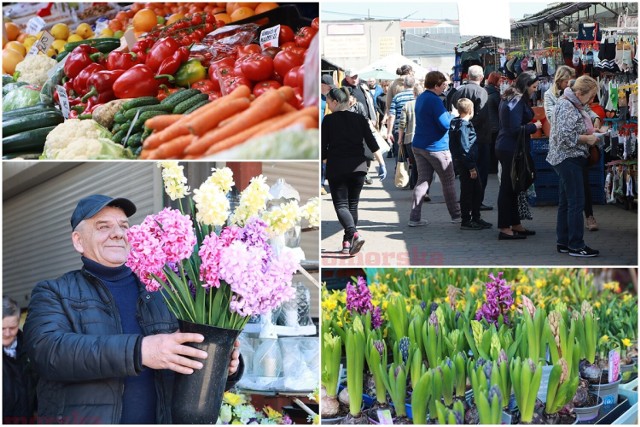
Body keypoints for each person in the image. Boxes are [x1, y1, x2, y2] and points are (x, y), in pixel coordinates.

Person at [23, 195, 243, 424]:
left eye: (124, 226)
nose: (118, 233)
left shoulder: (165, 291)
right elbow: (48, 353)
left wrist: (222, 366)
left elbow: (187, 364)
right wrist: (140, 351)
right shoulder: (53, 292)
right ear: (78, 241)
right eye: (103, 226)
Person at [322, 87, 387, 255]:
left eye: (328, 101)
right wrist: (382, 164)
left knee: (341, 205)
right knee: (352, 205)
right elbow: (372, 143)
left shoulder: (328, 120)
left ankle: (354, 234)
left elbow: (322, 147)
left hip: (338, 167)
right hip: (359, 167)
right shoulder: (359, 119)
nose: (327, 105)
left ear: (335, 102)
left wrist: (323, 161)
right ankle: (346, 243)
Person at [546, 76, 602, 257]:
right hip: (567, 158)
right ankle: (576, 245)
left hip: (566, 157)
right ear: (580, 93)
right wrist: (587, 138)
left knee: (566, 202)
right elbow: (565, 136)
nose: (591, 100)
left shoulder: (572, 103)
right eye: (591, 96)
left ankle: (563, 242)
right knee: (576, 202)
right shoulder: (567, 106)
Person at [409, 71, 461, 226]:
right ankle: (456, 216)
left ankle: (414, 218)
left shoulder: (421, 98)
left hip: (419, 145)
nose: (445, 87)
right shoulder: (435, 101)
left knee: (423, 181)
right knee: (448, 181)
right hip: (436, 147)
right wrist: (454, 115)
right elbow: (445, 124)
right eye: (443, 84)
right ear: (437, 85)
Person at [495, 71, 542, 240]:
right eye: (534, 87)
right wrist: (534, 126)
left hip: (510, 147)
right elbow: (514, 129)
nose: (535, 90)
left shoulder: (513, 97)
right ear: (526, 85)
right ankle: (505, 227)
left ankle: (514, 224)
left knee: (513, 187)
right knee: (508, 188)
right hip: (510, 149)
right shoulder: (515, 100)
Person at [450, 65, 493, 211]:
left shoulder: (459, 91)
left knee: (466, 175)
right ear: (481, 77)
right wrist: (469, 125)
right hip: (478, 139)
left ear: (468, 76)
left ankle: (469, 202)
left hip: (462, 137)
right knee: (479, 172)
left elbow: (451, 108)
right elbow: (482, 114)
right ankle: (476, 203)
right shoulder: (482, 92)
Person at [449, 98, 492, 230]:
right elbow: (465, 148)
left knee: (476, 190)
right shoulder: (464, 126)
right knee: (469, 191)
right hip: (467, 164)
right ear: (470, 110)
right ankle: (467, 220)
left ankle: (476, 217)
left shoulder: (457, 123)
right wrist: (471, 167)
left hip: (465, 162)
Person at [3, 296, 36, 424]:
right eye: (2, 328)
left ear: (18, 322)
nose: (7, 333)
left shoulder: (29, 351)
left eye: (12, 328)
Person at [398, 83, 425, 189]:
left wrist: (400, 138)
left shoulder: (408, 105)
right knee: (423, 165)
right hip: (424, 138)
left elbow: (402, 124)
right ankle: (422, 187)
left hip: (410, 138)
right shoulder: (426, 104)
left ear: (413, 93)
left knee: (413, 163)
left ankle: (414, 185)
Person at [385, 64, 414, 157]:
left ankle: (400, 170)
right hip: (414, 123)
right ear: (409, 71)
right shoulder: (415, 82)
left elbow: (389, 105)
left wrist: (389, 131)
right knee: (415, 157)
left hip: (398, 123)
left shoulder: (393, 84)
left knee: (400, 155)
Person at [484, 71, 503, 199]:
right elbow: (500, 109)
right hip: (495, 124)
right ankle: (493, 167)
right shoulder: (495, 94)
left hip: (489, 124)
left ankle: (490, 167)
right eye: (500, 80)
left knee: (491, 147)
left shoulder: (486, 91)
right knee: (494, 147)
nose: (501, 82)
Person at [321, 74, 336, 195]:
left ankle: (322, 182)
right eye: (329, 87)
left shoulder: (329, 98)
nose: (331, 89)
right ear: (322, 85)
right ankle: (320, 184)